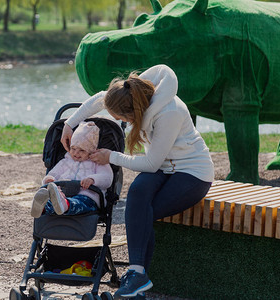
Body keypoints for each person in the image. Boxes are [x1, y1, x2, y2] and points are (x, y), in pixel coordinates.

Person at [61, 65, 214, 299]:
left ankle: (137, 274)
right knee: (137, 193)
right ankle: (138, 276)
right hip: (163, 167)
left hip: (192, 172)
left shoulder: (168, 112)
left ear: (134, 111)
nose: (121, 121)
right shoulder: (130, 93)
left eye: (122, 118)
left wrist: (111, 156)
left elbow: (151, 164)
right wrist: (69, 124)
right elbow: (99, 100)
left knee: (145, 211)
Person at [31, 121, 113, 218]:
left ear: (91, 150)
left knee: (80, 203)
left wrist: (92, 179)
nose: (76, 153)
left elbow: (107, 178)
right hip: (62, 193)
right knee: (53, 201)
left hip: (87, 195)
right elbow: (53, 173)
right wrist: (49, 179)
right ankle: (43, 207)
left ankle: (64, 205)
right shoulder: (65, 162)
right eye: (73, 149)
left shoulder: (98, 162)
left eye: (82, 150)